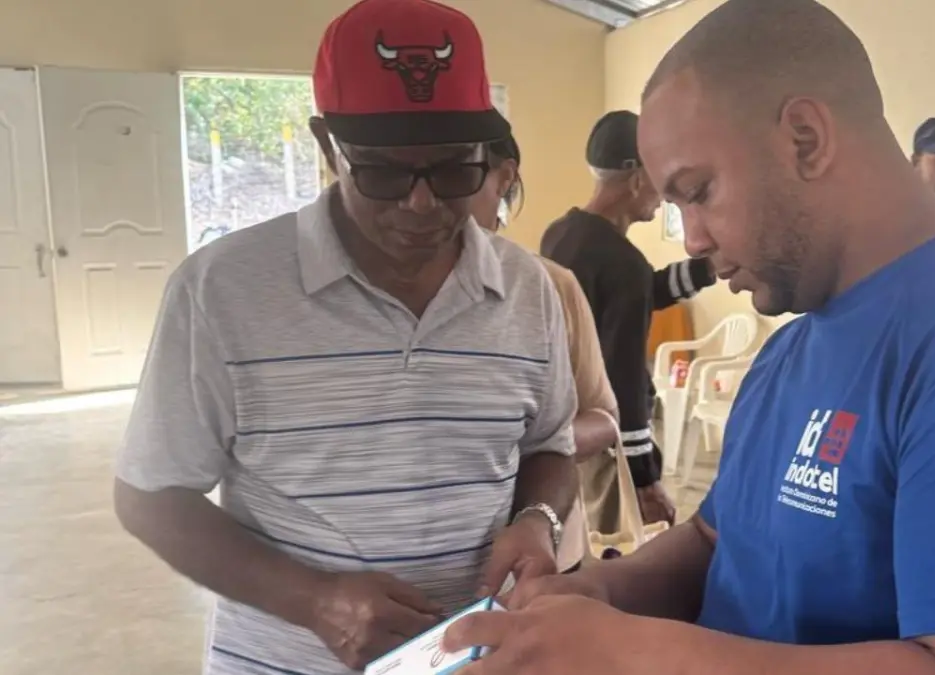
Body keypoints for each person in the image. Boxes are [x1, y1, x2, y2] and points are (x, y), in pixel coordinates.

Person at [444, 2, 935, 674]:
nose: (693, 240)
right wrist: (600, 594)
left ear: (805, 140)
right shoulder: (792, 349)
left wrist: (633, 650)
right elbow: (717, 543)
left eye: (699, 192)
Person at [113, 1, 578, 673]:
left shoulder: (527, 288)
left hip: (473, 659)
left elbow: (551, 445)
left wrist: (537, 518)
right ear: (326, 145)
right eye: (383, 172)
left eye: (454, 170)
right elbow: (149, 496)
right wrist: (314, 600)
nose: (421, 203)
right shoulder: (220, 290)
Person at [540, 110, 718, 527]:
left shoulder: (562, 235)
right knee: (614, 548)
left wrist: (708, 268)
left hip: (563, 426)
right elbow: (624, 377)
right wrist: (644, 477)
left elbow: (631, 296)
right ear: (638, 179)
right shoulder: (623, 264)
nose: (664, 197)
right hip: (604, 441)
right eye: (661, 182)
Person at [469, 133, 621, 571]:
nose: (425, 200)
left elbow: (604, 418)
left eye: (455, 172)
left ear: (503, 179)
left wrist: (520, 448)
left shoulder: (549, 286)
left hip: (542, 560)